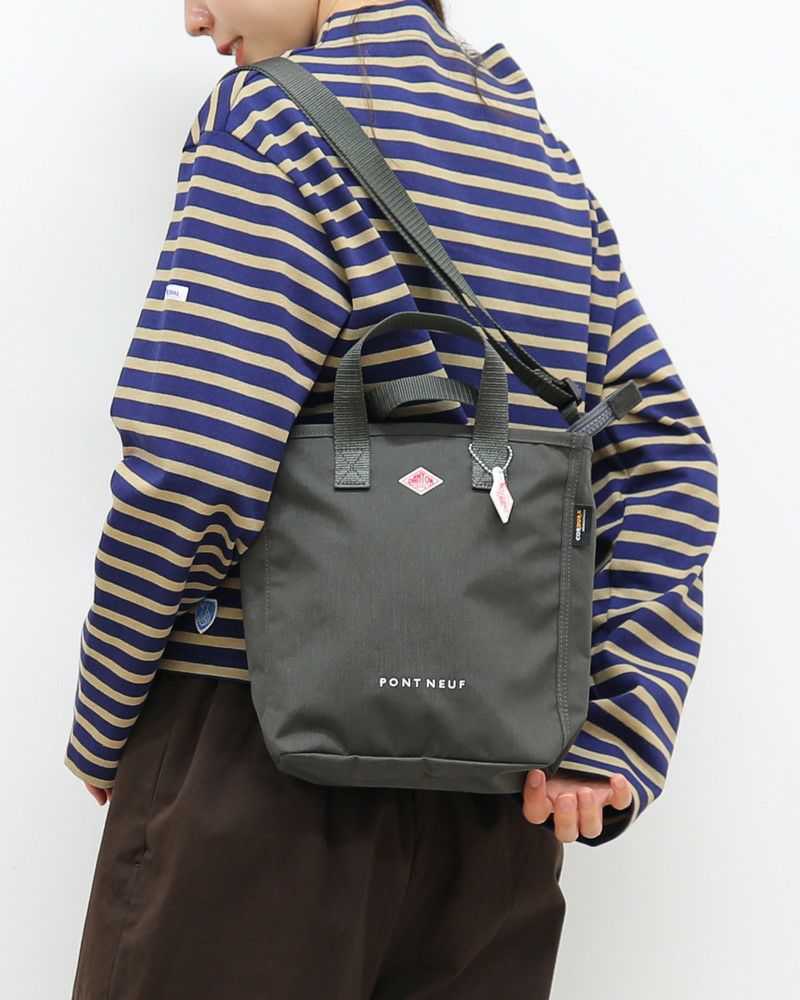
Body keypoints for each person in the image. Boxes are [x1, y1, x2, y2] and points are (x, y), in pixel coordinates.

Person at [66, 1, 720, 997]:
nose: (194, 18)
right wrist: (616, 730)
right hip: (493, 802)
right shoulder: (539, 158)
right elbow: (660, 452)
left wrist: (108, 711)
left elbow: (193, 460)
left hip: (261, 772)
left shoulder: (269, 121)